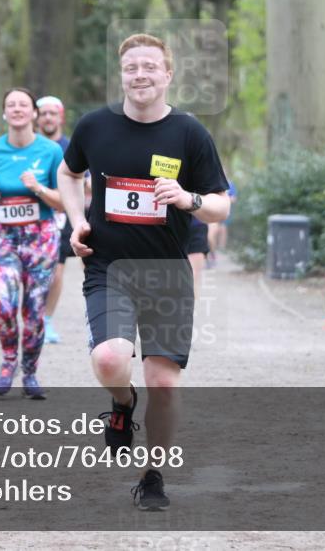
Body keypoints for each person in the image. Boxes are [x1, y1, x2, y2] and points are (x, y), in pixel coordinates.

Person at [57, 33, 230, 511]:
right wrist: (77, 220)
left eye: (150, 67)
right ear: (123, 75)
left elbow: (219, 204)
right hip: (109, 266)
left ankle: (153, 476)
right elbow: (68, 173)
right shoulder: (95, 127)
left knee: (165, 383)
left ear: (168, 74)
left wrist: (189, 200)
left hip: (167, 272)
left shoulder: (190, 134)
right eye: (132, 67)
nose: (140, 75)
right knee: (111, 360)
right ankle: (121, 403)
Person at [0, 88, 64, 399]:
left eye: (23, 104)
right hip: (2, 235)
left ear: (34, 114)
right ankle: (8, 360)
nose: (17, 109)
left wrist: (38, 188)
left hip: (40, 236)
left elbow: (64, 201)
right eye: (10, 104)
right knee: (4, 303)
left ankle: (30, 372)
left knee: (34, 311)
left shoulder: (51, 151)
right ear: (4, 113)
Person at [35, 95, 69, 344]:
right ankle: (29, 318)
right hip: (30, 216)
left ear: (60, 117)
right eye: (43, 113)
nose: (47, 117)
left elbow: (87, 182)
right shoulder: (28, 146)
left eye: (52, 113)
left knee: (55, 271)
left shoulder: (70, 146)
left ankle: (46, 320)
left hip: (59, 217)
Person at [206, 177, 236, 267]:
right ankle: (210, 255)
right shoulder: (208, 181)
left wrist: (224, 201)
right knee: (209, 236)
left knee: (217, 232)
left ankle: (219, 250)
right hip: (206, 213)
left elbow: (234, 198)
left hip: (221, 212)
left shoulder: (230, 184)